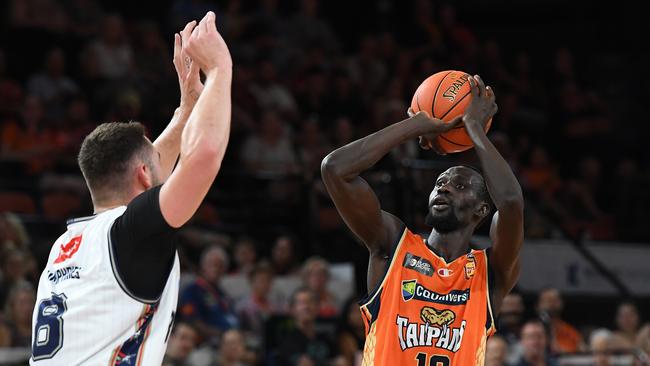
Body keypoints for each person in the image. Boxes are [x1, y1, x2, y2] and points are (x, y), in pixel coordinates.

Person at [29, 11, 233, 365]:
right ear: (142, 174)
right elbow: (203, 157)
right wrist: (220, 69)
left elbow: (150, 162)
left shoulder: (66, 245)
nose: (163, 165)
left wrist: (187, 109)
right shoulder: (132, 233)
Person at [321, 75, 524, 364]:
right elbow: (335, 169)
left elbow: (512, 203)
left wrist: (474, 129)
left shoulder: (491, 272)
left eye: (460, 185)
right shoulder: (393, 245)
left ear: (481, 209)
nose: (444, 187)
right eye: (440, 182)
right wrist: (415, 124)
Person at [179, 245, 239, 341]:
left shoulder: (223, 294)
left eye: (220, 266)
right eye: (212, 264)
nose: (216, 269)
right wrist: (222, 335)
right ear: (203, 266)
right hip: (205, 345)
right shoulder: (192, 291)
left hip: (230, 342)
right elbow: (191, 322)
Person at [536, 287, 584, 354]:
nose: (552, 303)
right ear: (538, 305)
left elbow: (581, 351)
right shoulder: (532, 331)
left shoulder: (571, 331)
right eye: (548, 300)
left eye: (555, 300)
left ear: (562, 303)